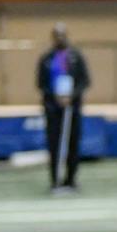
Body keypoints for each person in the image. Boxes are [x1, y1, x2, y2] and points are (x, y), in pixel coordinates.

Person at [35, 24, 90, 194]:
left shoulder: (76, 57)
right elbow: (40, 83)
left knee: (73, 144)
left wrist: (71, 96)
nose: (60, 38)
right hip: (53, 109)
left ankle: (71, 180)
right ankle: (55, 180)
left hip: (72, 109)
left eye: (62, 35)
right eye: (56, 35)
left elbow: (85, 81)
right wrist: (55, 97)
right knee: (54, 144)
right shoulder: (46, 59)